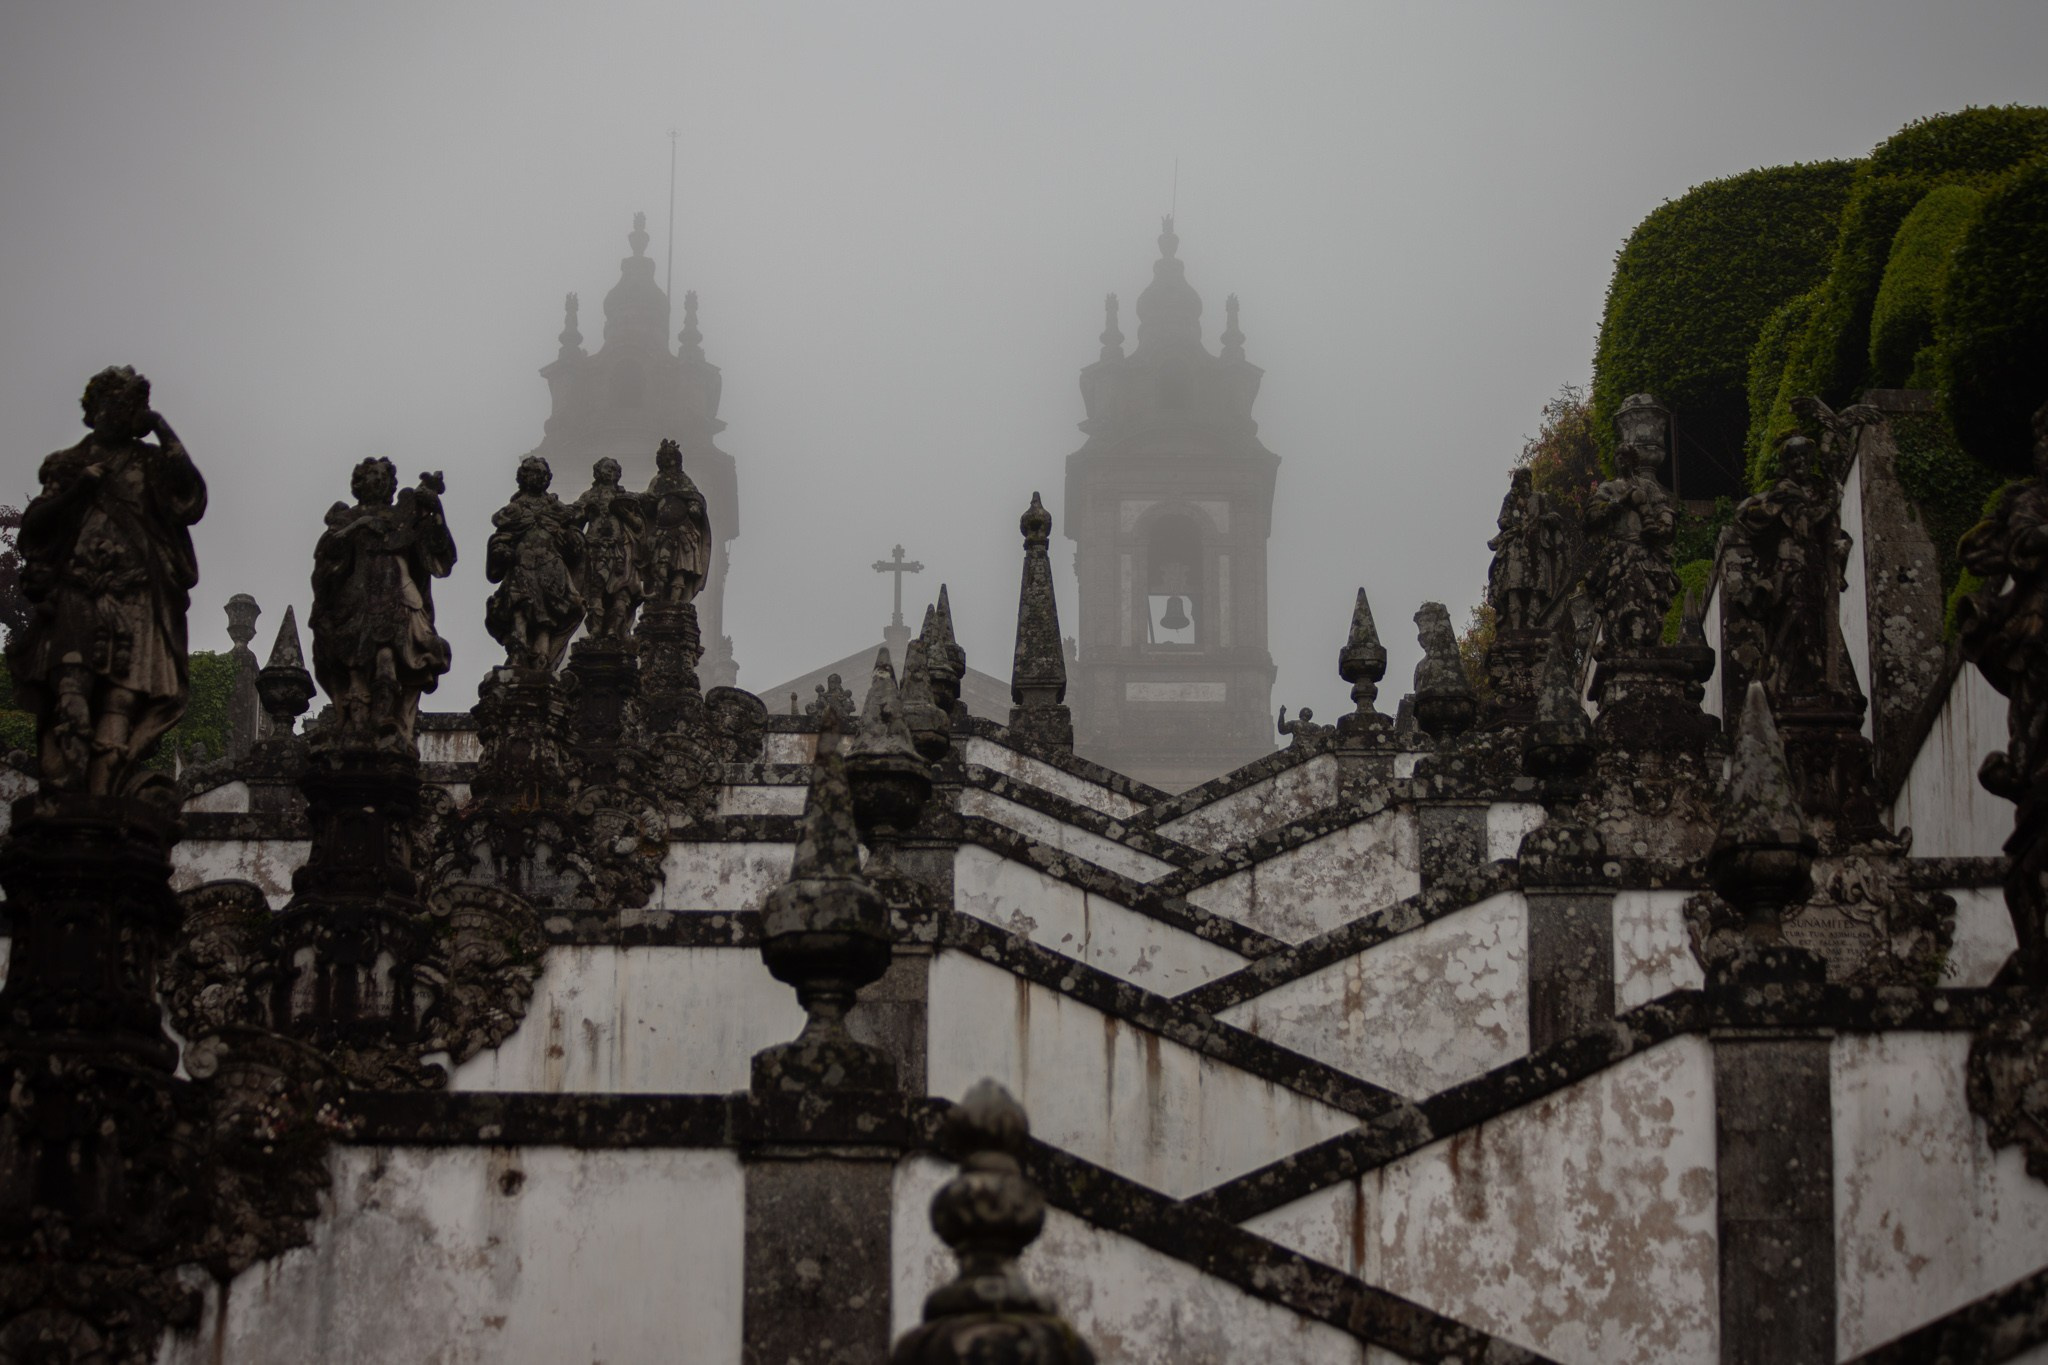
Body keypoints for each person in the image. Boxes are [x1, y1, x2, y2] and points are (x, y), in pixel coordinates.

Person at [9, 367, 207, 796]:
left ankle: (103, 797)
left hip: (137, 594)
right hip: (78, 588)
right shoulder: (69, 464)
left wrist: (160, 427)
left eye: (134, 406)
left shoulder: (150, 463)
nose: (125, 413)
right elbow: (34, 530)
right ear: (95, 407)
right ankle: (67, 788)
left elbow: (190, 499)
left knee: (123, 698)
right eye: (117, 403)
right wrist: (77, 491)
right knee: (71, 689)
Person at [309, 457, 455, 748]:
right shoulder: (346, 518)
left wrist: (435, 510)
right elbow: (327, 559)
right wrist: (360, 526)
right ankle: (355, 722)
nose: (378, 480)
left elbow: (439, 557)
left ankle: (385, 719)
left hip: (396, 598)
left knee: (388, 659)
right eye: (371, 475)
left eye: (383, 475)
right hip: (354, 602)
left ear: (391, 483)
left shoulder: (403, 516)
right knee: (354, 666)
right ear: (359, 482)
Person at [484, 456, 584, 670]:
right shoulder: (514, 510)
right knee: (519, 604)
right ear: (523, 477)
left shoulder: (557, 508)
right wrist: (501, 551)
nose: (540, 477)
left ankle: (542, 658)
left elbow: (574, 540)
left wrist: (570, 537)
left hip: (551, 567)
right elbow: (502, 537)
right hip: (522, 565)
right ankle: (518, 650)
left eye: (543, 474)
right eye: (534, 472)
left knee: (547, 613)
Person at [569, 457, 646, 643]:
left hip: (620, 550)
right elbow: (574, 520)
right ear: (597, 472)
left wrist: (626, 514)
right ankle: (596, 629)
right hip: (595, 549)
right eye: (607, 468)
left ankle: (614, 628)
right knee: (594, 591)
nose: (611, 472)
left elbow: (638, 524)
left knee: (622, 591)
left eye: (614, 469)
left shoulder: (626, 498)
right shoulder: (589, 496)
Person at [642, 439, 711, 607]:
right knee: (661, 565)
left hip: (683, 531)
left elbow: (694, 497)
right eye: (664, 457)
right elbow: (649, 503)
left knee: (681, 567)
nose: (667, 459)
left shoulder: (683, 480)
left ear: (677, 459)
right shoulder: (657, 481)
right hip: (662, 532)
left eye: (670, 456)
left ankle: (675, 601)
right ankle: (658, 598)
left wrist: (695, 506)